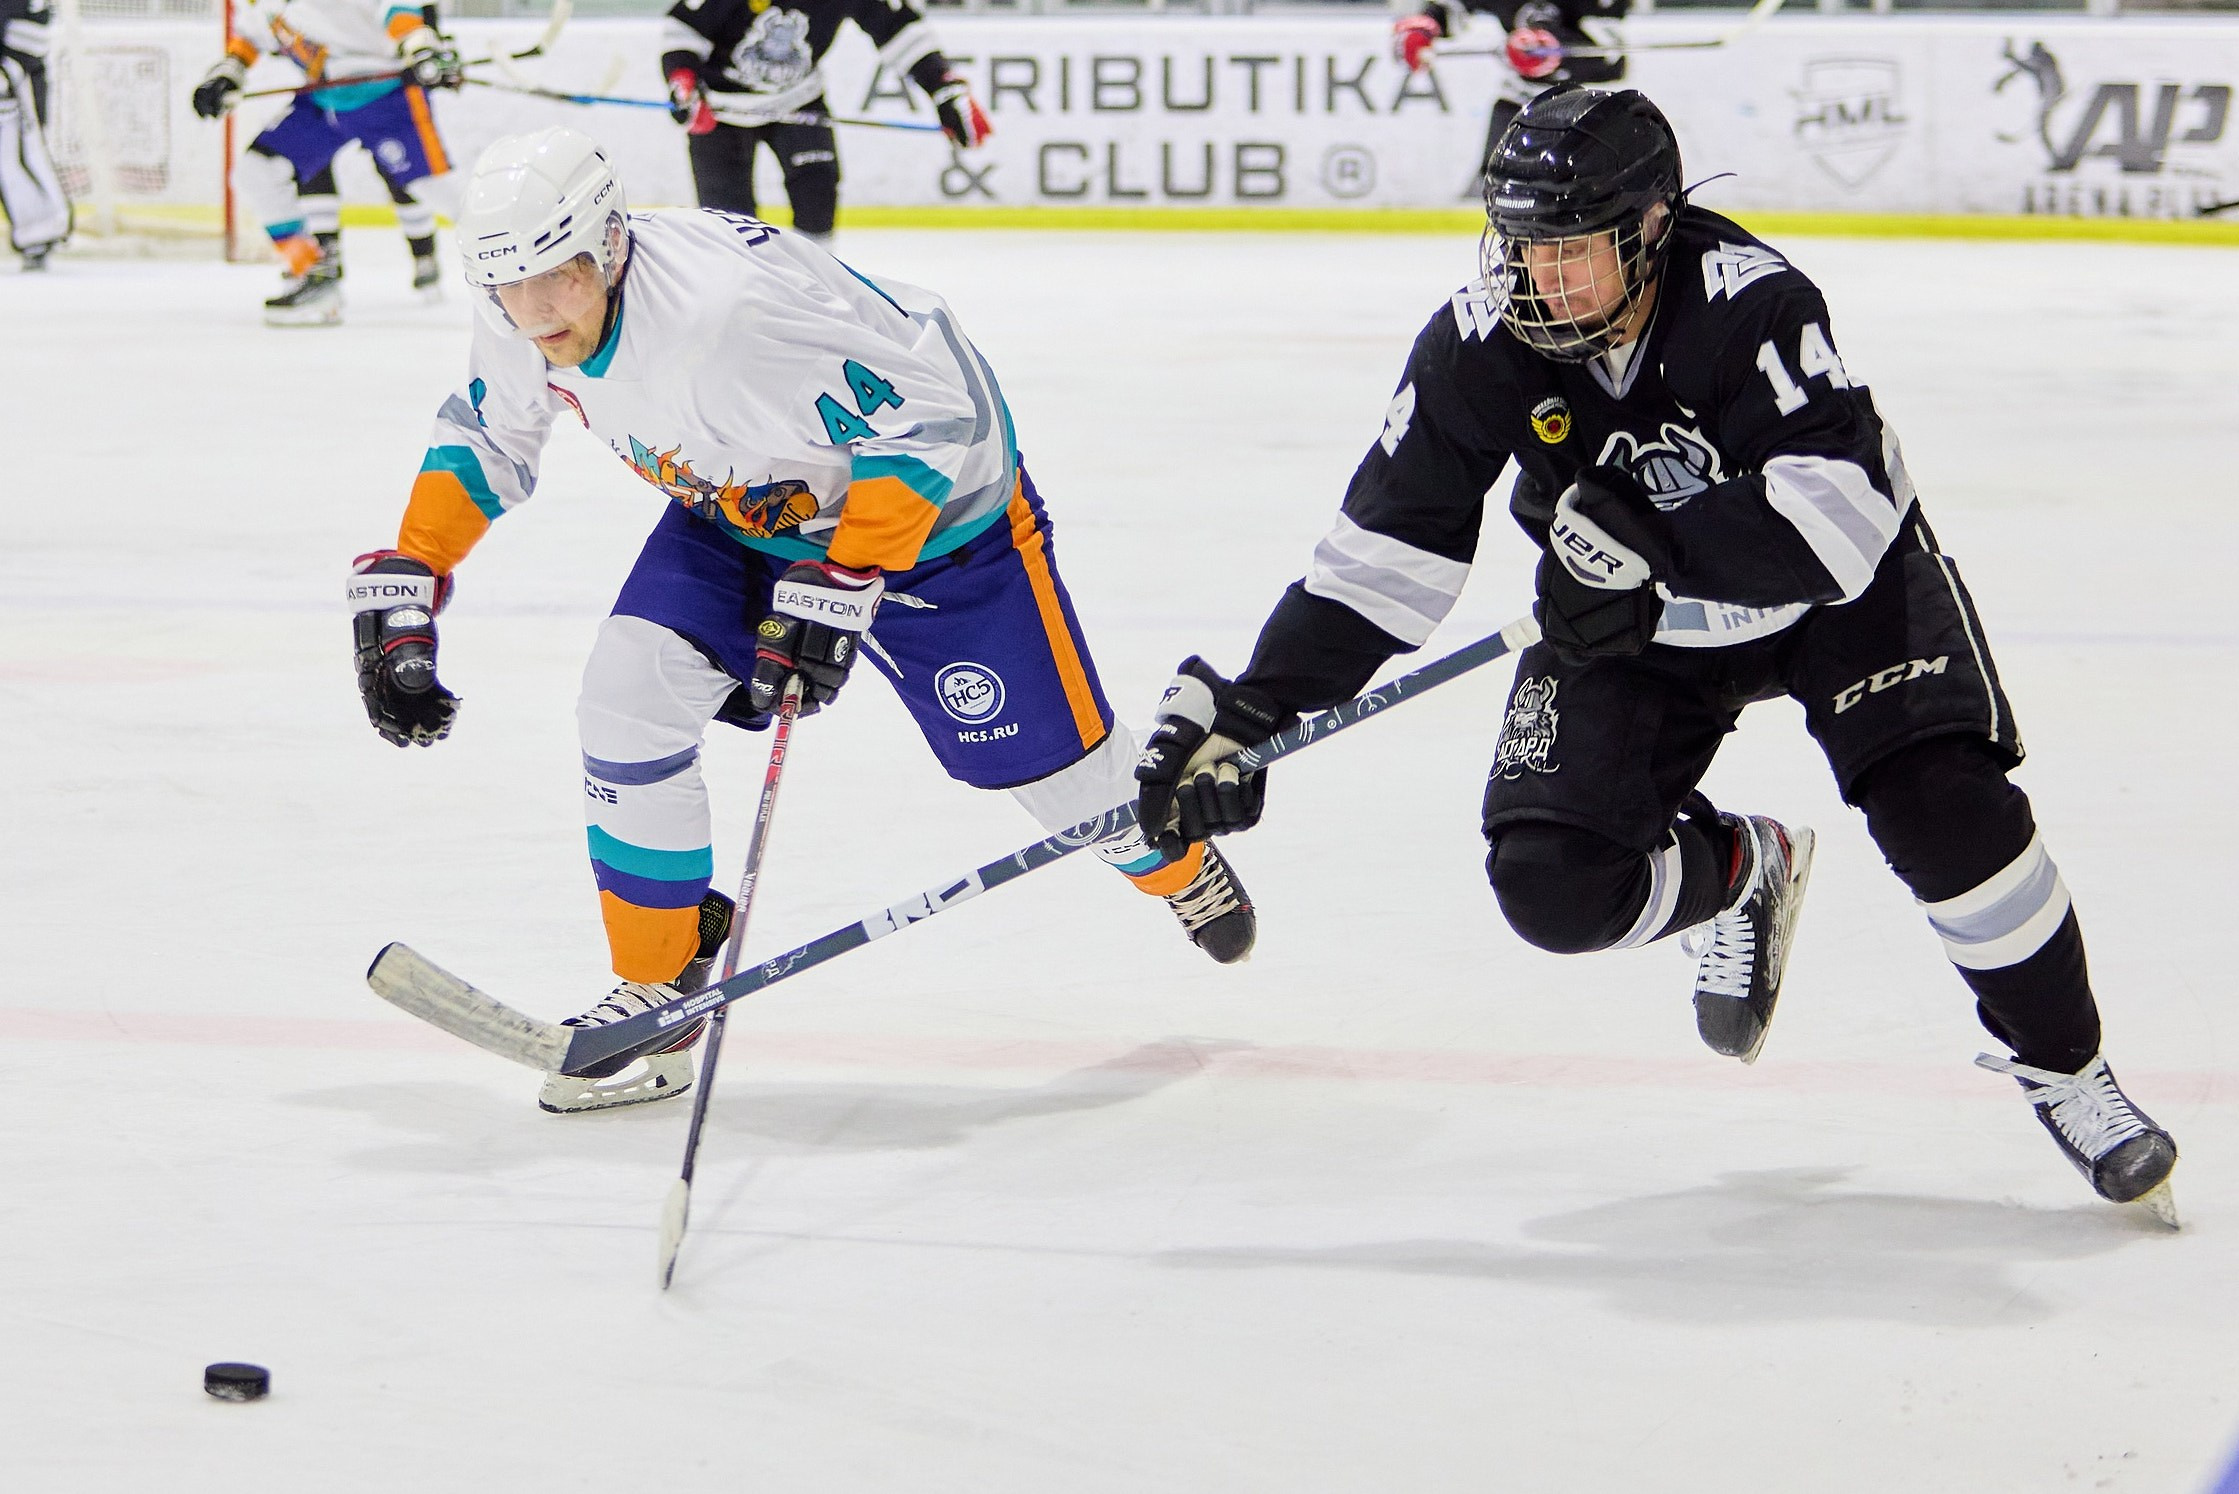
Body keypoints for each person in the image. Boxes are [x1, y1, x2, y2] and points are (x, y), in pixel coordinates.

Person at [1134, 86, 2178, 1221]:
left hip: (1837, 595)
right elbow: (1381, 557)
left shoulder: (1751, 305)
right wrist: (1251, 715)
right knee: (1551, 885)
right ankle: (1740, 877)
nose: (1539, 279)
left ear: (1650, 229)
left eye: (1572, 251)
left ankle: (2073, 1076)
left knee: (1947, 809)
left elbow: (1837, 516)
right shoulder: (1480, 340)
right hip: (1628, 622)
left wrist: (1658, 550)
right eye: (1522, 246)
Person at [348, 126, 1254, 1115]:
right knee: (624, 696)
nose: (531, 312)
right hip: (751, 510)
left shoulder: (722, 318)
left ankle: (1175, 868)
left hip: (942, 524)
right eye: (506, 288)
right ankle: (658, 991)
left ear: (606, 247)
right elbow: (490, 424)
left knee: (1069, 788)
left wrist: (846, 577)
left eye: (554, 279)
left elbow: (935, 416)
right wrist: (410, 573)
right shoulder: (527, 303)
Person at [191, 0, 464, 324]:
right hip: (323, 96)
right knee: (256, 172)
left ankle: (520, 259)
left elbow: (393, 7)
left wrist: (419, 45)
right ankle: (314, 275)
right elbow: (252, 36)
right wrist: (228, 73)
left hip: (383, 94)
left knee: (437, 190)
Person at [659, 0, 990, 243]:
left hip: (798, 100)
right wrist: (683, 81)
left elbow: (898, 28)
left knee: (817, 194)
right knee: (730, 229)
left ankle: (812, 294)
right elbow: (683, 30)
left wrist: (943, 89)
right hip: (721, 111)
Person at [1392, 0, 1629, 190]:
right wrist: (1427, 25)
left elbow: (1615, 57)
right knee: (1493, 185)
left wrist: (1556, 50)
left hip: (1587, 104)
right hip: (1520, 100)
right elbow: (1455, 7)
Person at [1, 0, 70, 269]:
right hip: (18, 80)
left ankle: (40, 232)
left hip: (15, 85)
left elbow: (31, 37)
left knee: (15, 156)